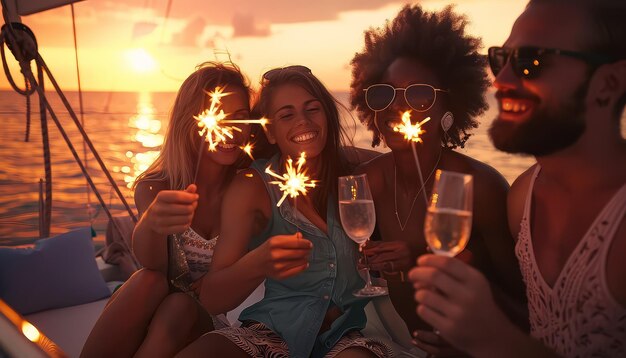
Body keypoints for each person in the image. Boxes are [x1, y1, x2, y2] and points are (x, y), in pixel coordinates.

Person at [409, 0, 626, 357]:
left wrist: (493, 340)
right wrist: (474, 319)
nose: (502, 80)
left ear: (609, 82)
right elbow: (543, 328)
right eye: (501, 59)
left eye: (531, 61)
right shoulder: (522, 197)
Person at [177, 66, 392, 358]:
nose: (303, 122)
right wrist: (258, 263)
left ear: (327, 116)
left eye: (313, 109)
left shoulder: (354, 180)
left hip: (345, 337)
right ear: (270, 130)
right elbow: (211, 299)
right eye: (287, 115)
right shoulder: (252, 186)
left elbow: (398, 167)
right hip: (271, 333)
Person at [349, 4, 528, 353]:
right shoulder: (368, 181)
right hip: (410, 345)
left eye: (418, 94)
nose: (397, 107)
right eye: (383, 93)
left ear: (449, 108)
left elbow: (526, 306)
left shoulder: (480, 187)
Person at [81, 61, 255, 357]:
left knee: (179, 305)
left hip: (204, 320)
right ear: (191, 120)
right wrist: (151, 223)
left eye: (240, 118)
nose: (231, 130)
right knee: (148, 281)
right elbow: (154, 265)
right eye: (218, 117)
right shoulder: (155, 187)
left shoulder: (251, 187)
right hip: (151, 307)